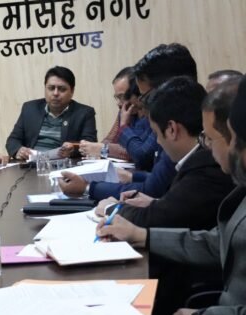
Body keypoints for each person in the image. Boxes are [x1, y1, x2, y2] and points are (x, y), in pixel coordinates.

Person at [95, 76, 245, 315]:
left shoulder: (211, 172)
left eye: (212, 138)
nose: (207, 147)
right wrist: (142, 236)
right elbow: (215, 242)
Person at [59, 43, 200, 202]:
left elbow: (146, 167)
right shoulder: (168, 119)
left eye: (144, 97)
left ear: (168, 88)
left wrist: (87, 187)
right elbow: (159, 179)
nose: (141, 105)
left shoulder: (177, 128)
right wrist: (132, 176)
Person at [96, 76, 234, 230]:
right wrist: (157, 204)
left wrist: (111, 208)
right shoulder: (196, 160)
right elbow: (179, 208)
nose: (158, 142)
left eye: (210, 138)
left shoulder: (205, 167)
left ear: (172, 129)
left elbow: (163, 219)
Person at [6, 66, 97, 161]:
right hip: (30, 164)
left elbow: (89, 145)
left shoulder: (85, 113)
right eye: (51, 88)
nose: (55, 93)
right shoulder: (30, 108)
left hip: (62, 165)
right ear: (45, 88)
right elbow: (13, 140)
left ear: (72, 91)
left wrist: (73, 149)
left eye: (62, 89)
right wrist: (18, 150)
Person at [79, 67, 134, 160]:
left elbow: (136, 151)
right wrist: (91, 147)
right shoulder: (123, 111)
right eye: (117, 97)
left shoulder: (146, 113)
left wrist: (102, 149)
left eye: (122, 96)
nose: (119, 103)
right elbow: (110, 139)